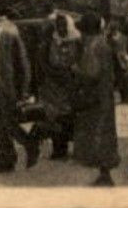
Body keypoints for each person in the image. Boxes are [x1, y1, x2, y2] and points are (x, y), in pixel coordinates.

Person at [0, 7, 39, 173]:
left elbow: (23, 64)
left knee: (9, 123)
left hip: (7, 87)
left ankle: (30, 144)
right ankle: (6, 159)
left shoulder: (10, 37)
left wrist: (25, 90)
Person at [72, 11, 121, 186]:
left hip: (97, 95)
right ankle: (104, 172)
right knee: (104, 132)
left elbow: (92, 73)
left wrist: (76, 69)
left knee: (99, 132)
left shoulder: (94, 46)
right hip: (103, 94)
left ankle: (105, 174)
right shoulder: (102, 43)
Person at [31, 9, 83, 160]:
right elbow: (43, 64)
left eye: (63, 25)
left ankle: (69, 147)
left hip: (70, 87)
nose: (61, 28)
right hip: (53, 87)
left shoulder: (77, 42)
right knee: (54, 118)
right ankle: (58, 149)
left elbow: (81, 61)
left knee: (69, 118)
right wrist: (53, 75)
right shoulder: (49, 43)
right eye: (58, 25)